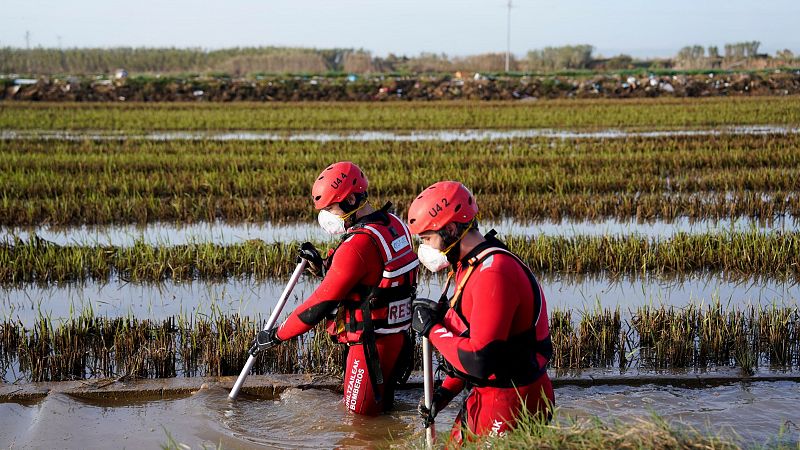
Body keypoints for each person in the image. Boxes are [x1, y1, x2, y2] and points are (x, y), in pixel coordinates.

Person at [249, 161, 419, 416]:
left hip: (369, 348)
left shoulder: (357, 245)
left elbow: (320, 305)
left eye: (330, 207)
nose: (325, 215)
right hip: (398, 340)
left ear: (351, 200)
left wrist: (275, 336)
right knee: (382, 414)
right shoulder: (394, 224)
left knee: (357, 425)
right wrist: (321, 266)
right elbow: (368, 275)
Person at [406, 181, 554, 443]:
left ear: (450, 229)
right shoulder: (468, 265)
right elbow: (470, 340)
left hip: (513, 399)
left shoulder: (493, 273)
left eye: (427, 238)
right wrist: (443, 395)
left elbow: (480, 360)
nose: (425, 248)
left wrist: (432, 329)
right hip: (490, 394)